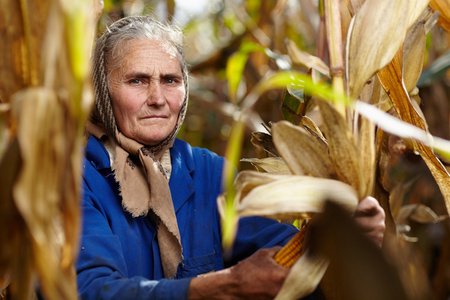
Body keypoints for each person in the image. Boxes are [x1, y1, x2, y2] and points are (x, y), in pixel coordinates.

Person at [77, 15, 385, 300]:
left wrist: (341, 241)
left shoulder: (210, 173)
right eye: (137, 80)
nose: (158, 99)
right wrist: (226, 284)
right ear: (101, 92)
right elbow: (89, 290)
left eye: (170, 80)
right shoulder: (74, 178)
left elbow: (283, 262)